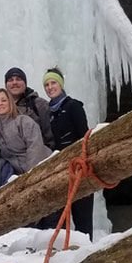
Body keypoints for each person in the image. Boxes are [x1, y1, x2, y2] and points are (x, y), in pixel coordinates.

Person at [42, 68, 95, 235]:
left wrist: (84, 162)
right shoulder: (49, 112)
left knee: (82, 216)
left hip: (78, 167)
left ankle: (86, 250)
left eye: (53, 83)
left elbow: (84, 136)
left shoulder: (73, 106)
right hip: (60, 169)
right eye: (46, 85)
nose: (50, 87)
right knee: (60, 215)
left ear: (61, 84)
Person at [0, 88, 51, 174]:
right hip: (20, 175)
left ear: (10, 103)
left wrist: (32, 173)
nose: (0, 104)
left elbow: (35, 146)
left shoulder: (23, 121)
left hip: (43, 167)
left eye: (4, 100)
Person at [0, 67, 55, 149]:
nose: (14, 82)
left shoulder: (39, 104)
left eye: (18, 79)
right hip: (9, 158)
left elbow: (50, 135)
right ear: (6, 85)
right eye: (10, 80)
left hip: (38, 155)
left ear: (25, 83)